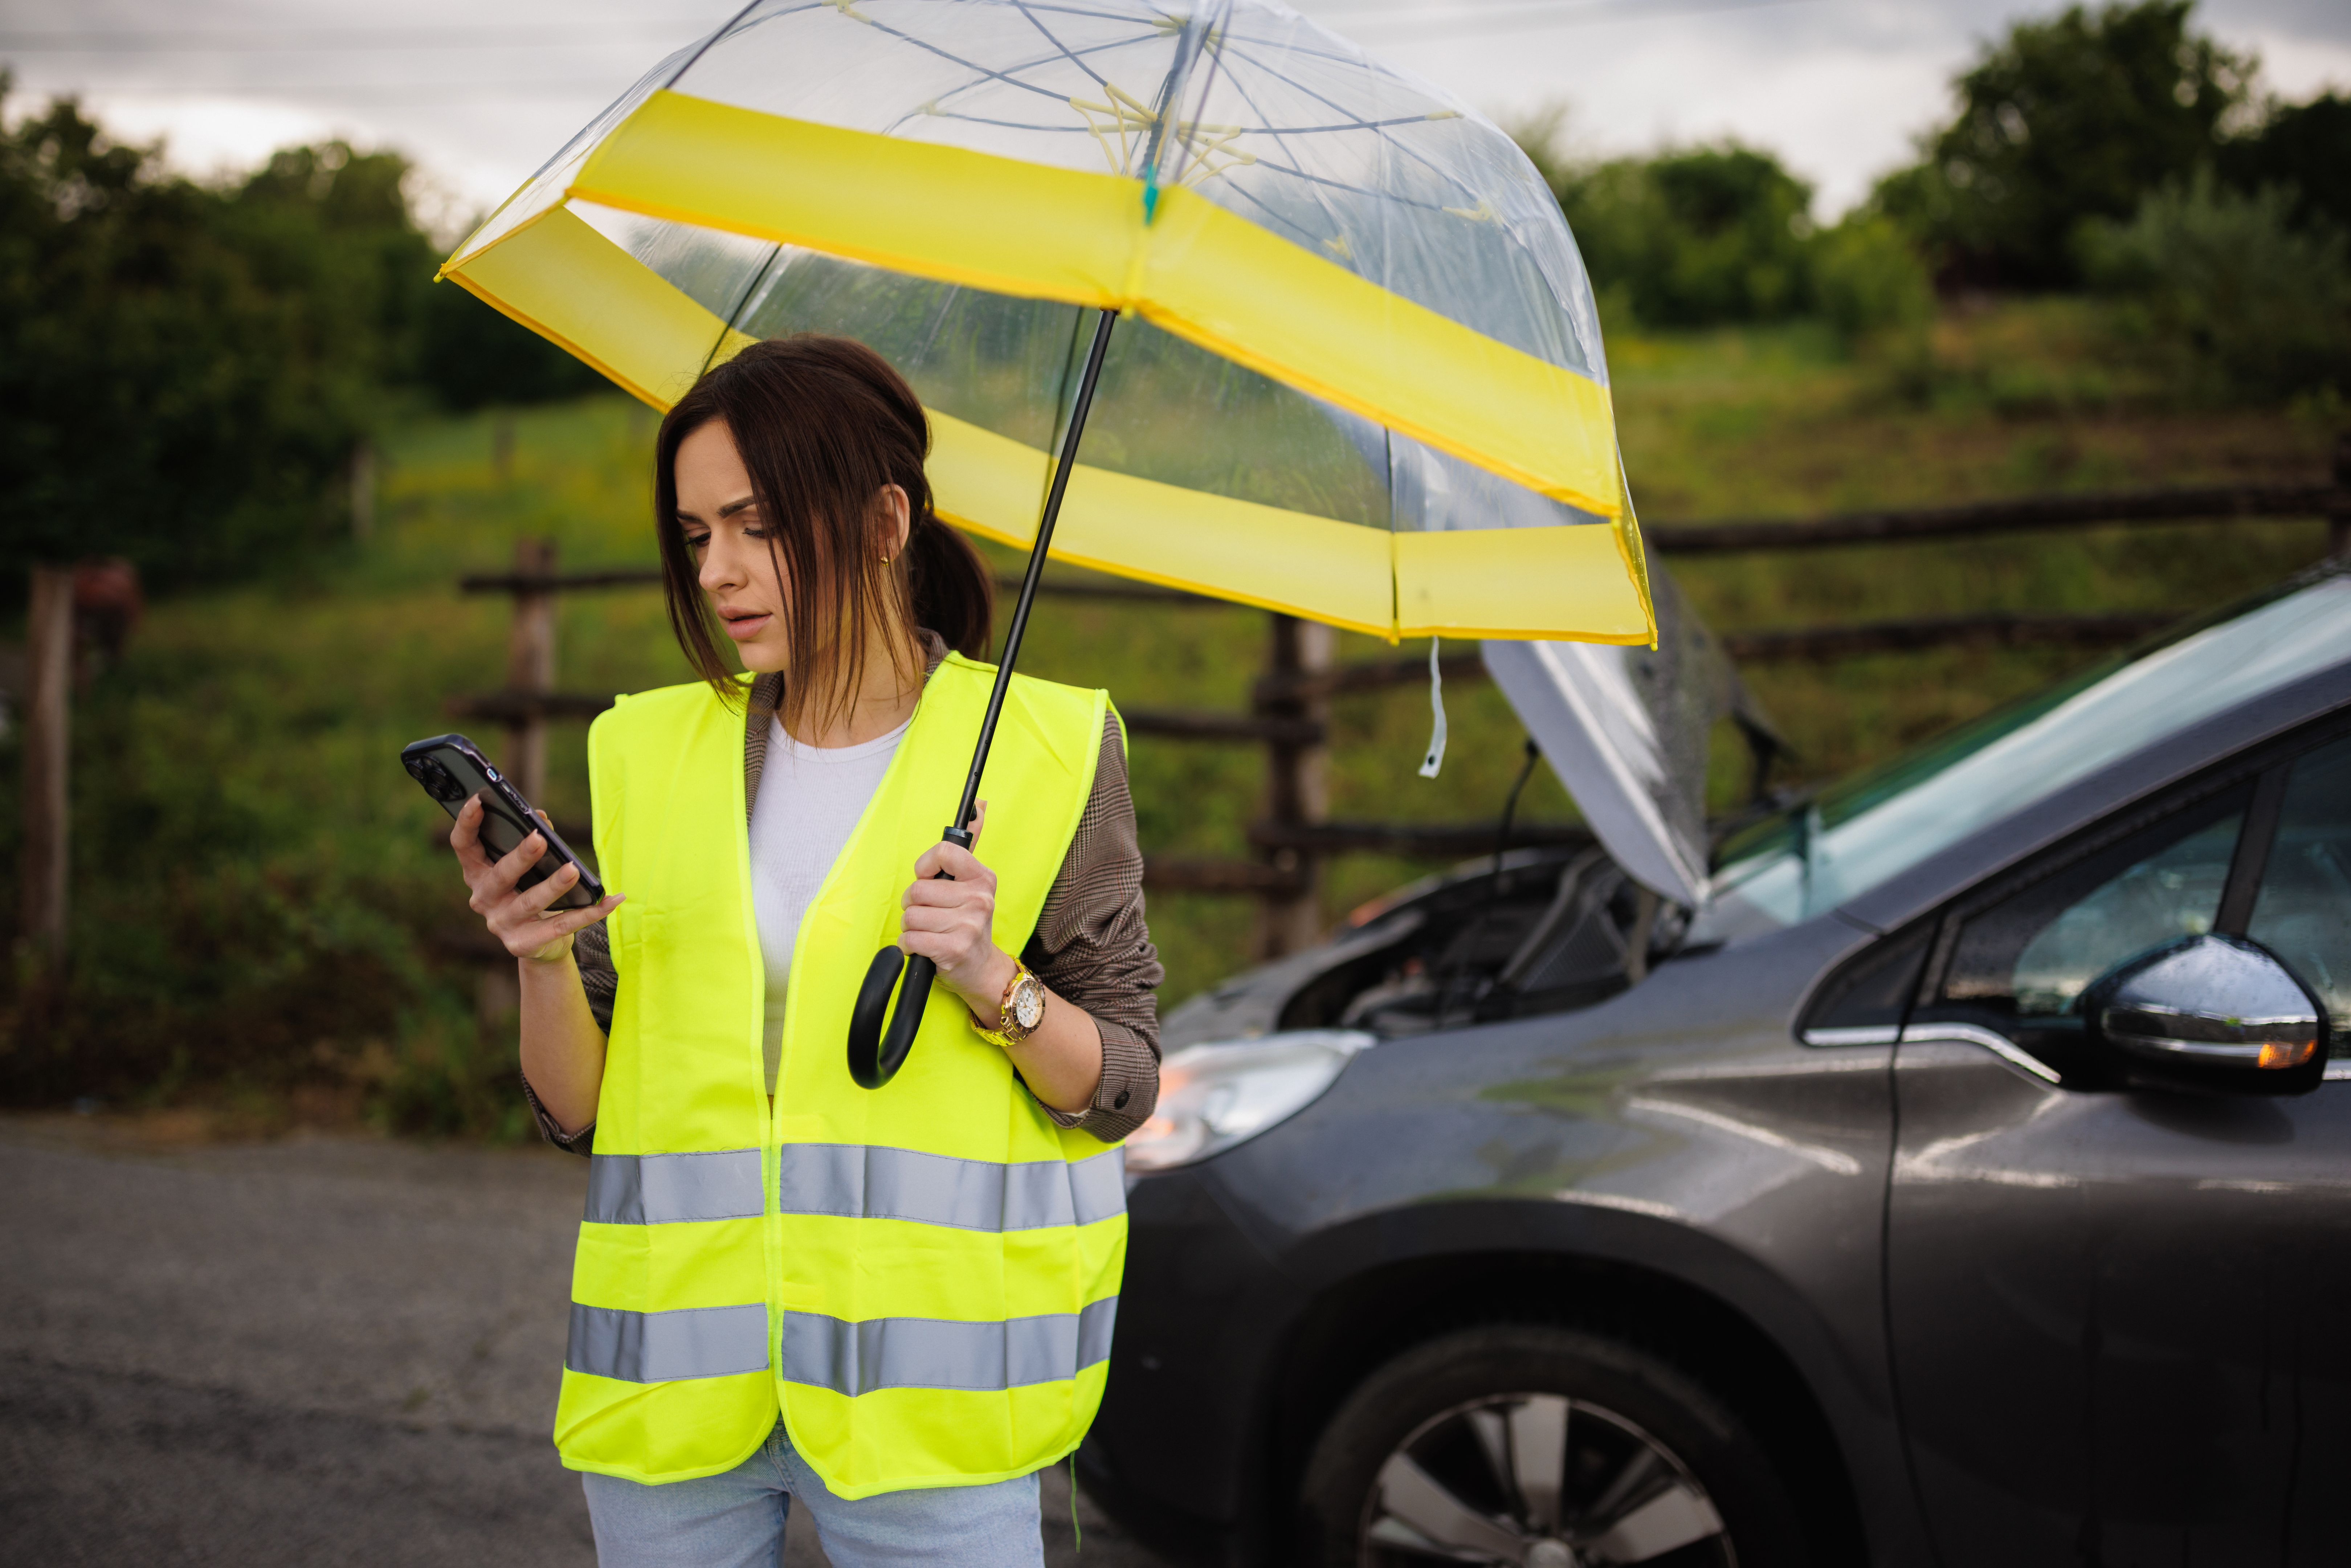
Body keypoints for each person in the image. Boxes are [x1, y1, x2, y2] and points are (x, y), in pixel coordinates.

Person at [446, 335, 1162, 1567]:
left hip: (929, 1400)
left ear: (885, 522)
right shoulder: (647, 750)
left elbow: (1123, 1086)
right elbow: (581, 1118)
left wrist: (996, 980)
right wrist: (541, 957)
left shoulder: (1046, 748)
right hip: (676, 1388)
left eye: (758, 525)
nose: (719, 572)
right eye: (694, 534)